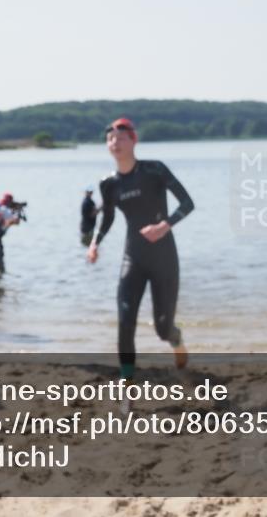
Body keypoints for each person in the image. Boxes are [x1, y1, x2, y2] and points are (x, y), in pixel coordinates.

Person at [86, 118, 194, 381]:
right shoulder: (108, 184)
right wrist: (95, 242)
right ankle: (127, 383)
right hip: (132, 257)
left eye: (121, 138)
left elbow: (187, 203)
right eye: (111, 139)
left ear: (134, 140)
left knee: (162, 328)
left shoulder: (155, 170)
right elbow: (109, 217)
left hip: (163, 258)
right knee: (125, 323)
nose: (115, 143)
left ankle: (176, 340)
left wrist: (165, 225)